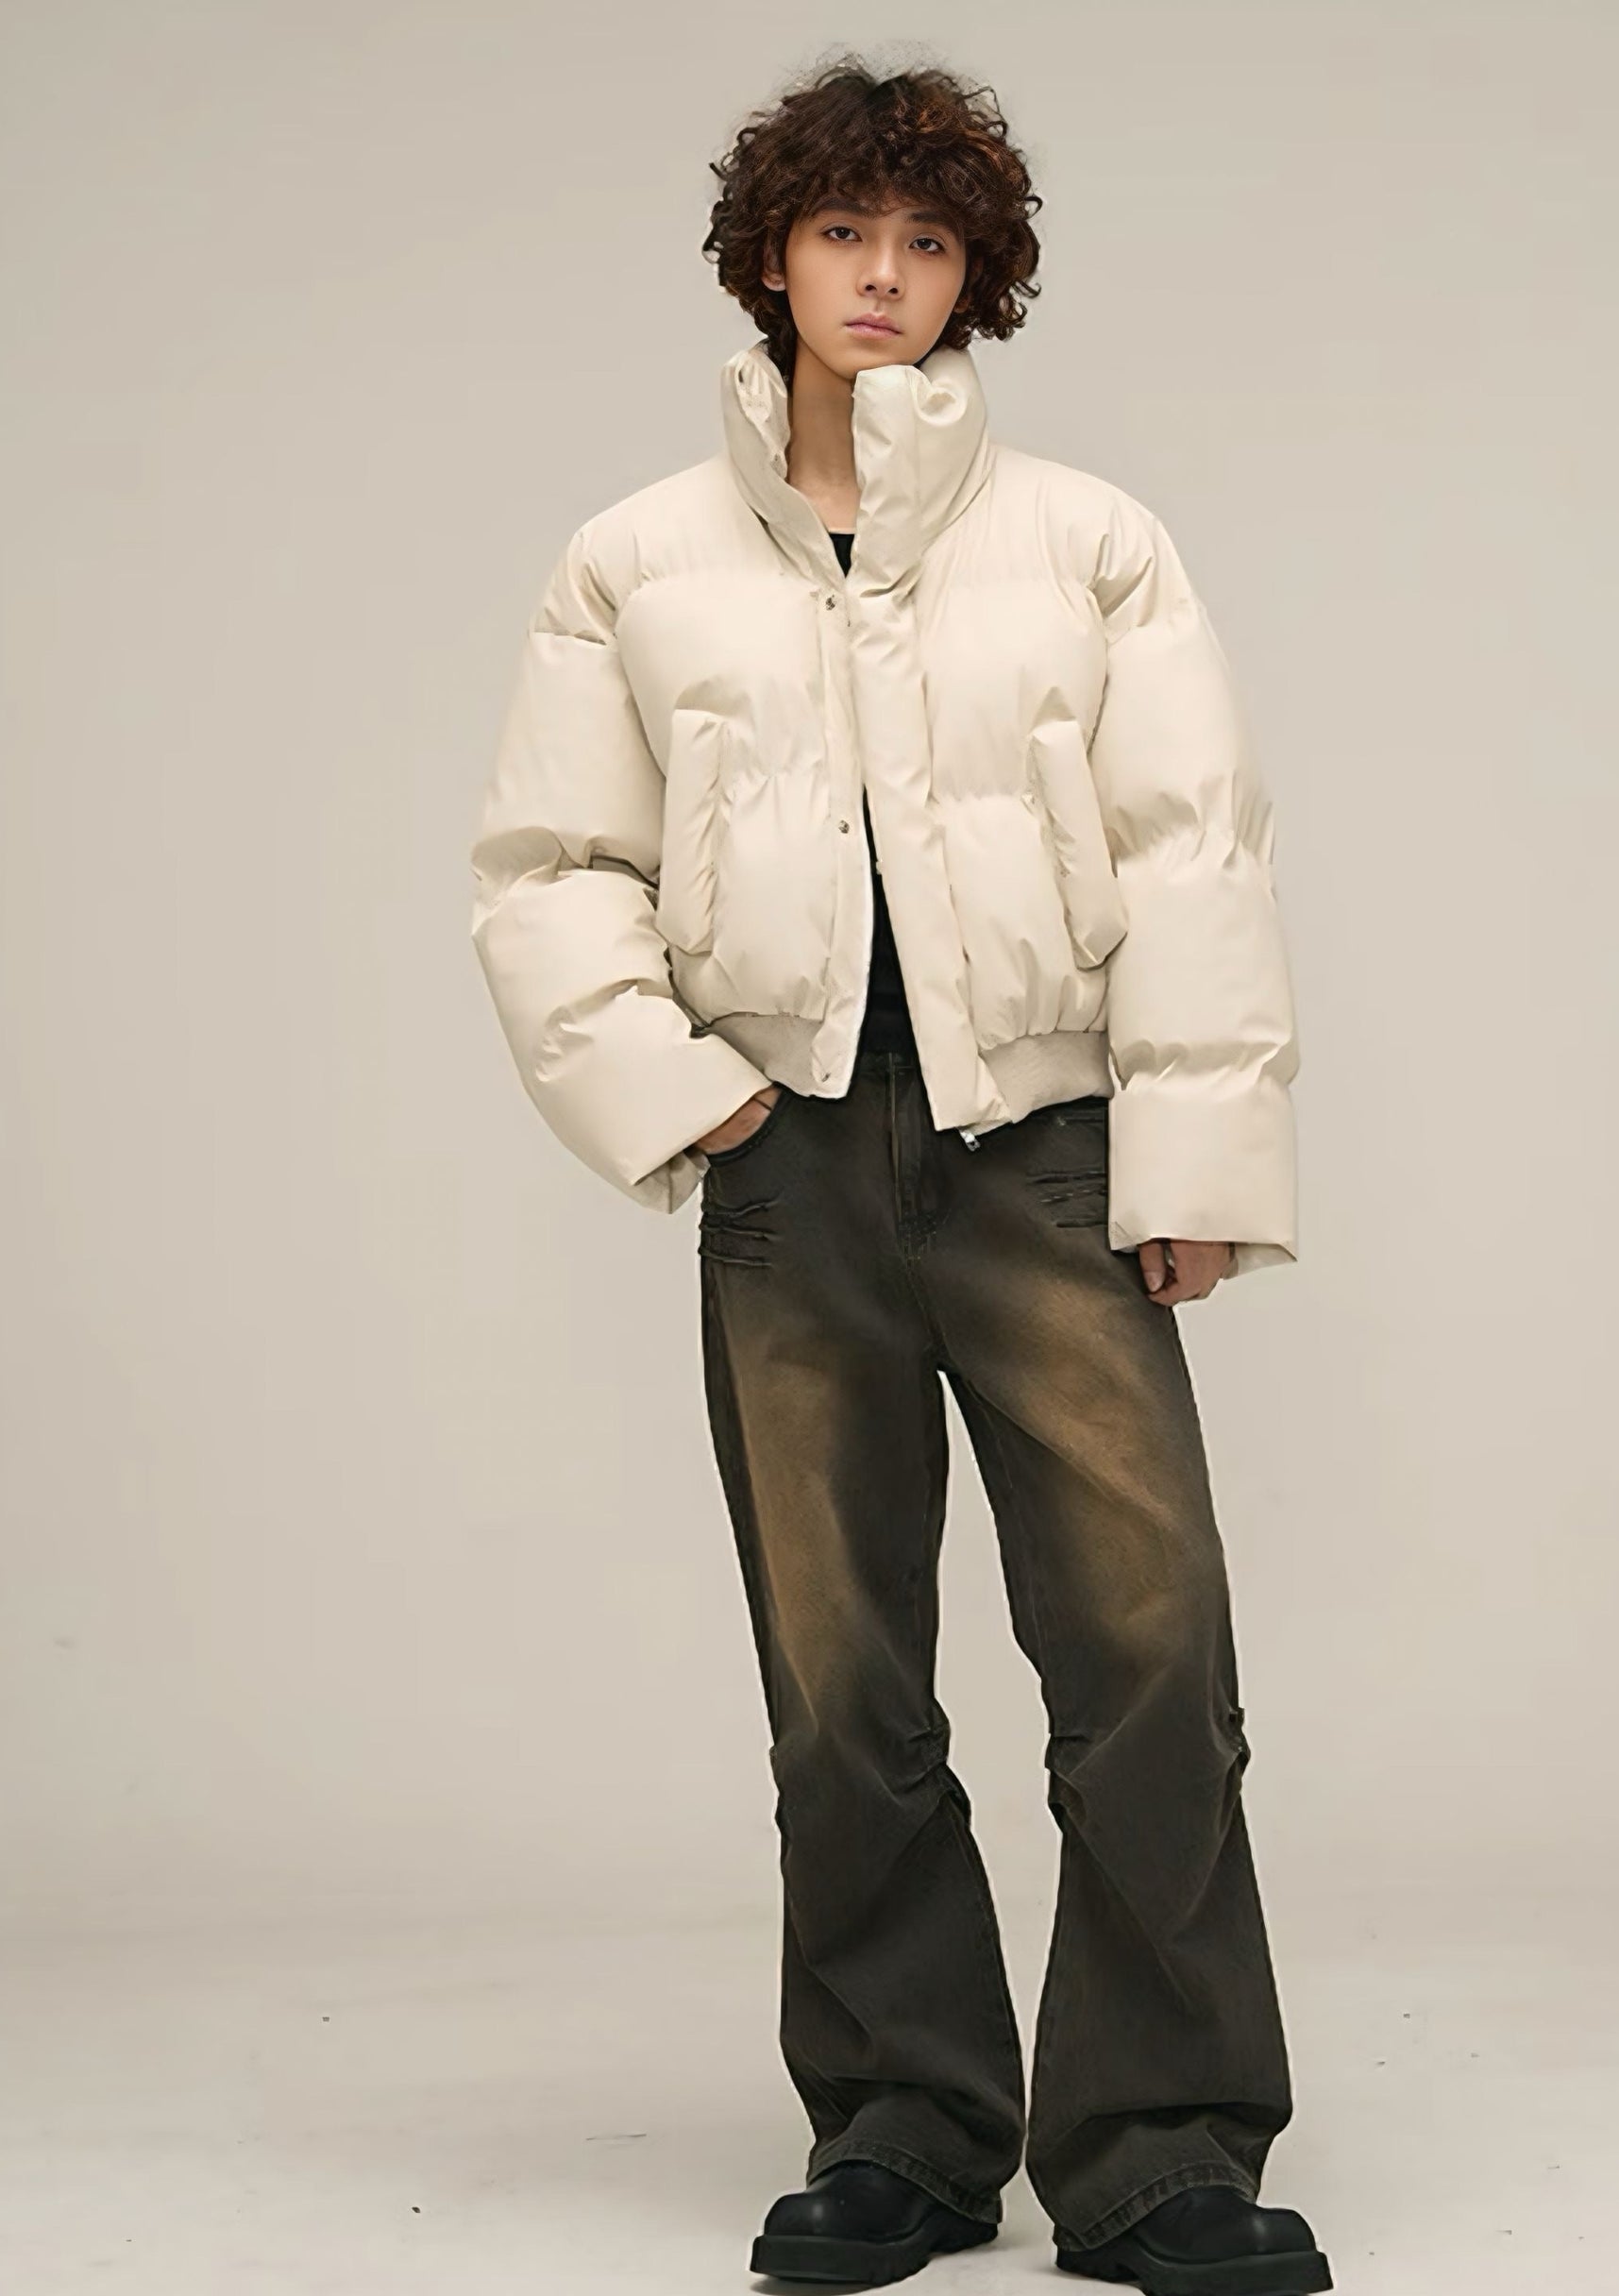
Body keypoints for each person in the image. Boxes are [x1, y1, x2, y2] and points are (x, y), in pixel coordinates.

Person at [469, 54, 1330, 2296]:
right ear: (771, 256)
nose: (884, 275)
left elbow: (1193, 850)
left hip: (1045, 1151)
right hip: (790, 1170)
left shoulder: (1092, 541)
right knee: (840, 1678)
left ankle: (1158, 2149)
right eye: (846, 231)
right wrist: (685, 1096)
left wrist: (1187, 1153)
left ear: (977, 280)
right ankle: (902, 2129)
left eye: (928, 242)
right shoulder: (635, 561)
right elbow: (551, 868)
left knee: (1149, 1651)